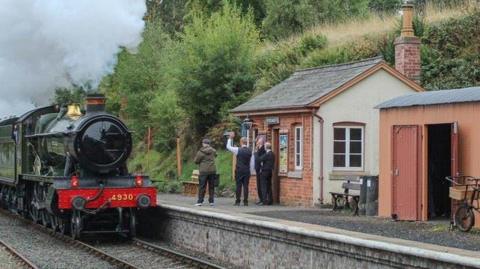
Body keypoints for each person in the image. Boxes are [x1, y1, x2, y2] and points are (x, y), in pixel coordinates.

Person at [226, 132, 252, 206]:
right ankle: (246, 202)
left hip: (239, 170)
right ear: (246, 142)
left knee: (238, 186)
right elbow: (252, 162)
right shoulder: (250, 151)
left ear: (241, 142)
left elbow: (228, 147)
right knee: (246, 186)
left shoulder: (237, 150)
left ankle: (237, 201)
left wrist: (230, 139)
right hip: (247, 170)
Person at [194, 138, 217, 206]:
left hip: (203, 171)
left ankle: (200, 202)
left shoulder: (201, 152)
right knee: (211, 186)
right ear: (209, 144)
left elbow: (196, 161)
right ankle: (211, 201)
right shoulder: (213, 150)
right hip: (212, 171)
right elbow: (216, 155)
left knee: (202, 186)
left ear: (204, 144)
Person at [254, 136, 266, 205]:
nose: (257, 142)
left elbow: (259, 158)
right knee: (258, 184)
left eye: (258, 141)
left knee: (261, 185)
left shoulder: (263, 148)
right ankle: (260, 198)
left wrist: (256, 152)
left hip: (261, 168)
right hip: (257, 168)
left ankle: (263, 199)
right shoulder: (258, 148)